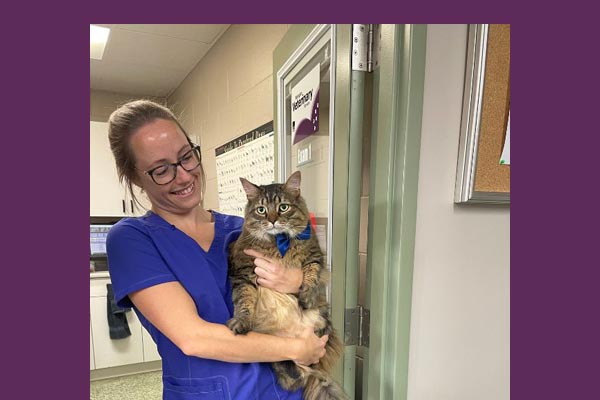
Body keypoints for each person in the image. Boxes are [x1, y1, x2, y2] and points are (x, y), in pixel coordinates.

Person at [105, 100, 328, 400]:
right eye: (161, 170)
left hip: (286, 389)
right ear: (135, 177)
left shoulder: (244, 228)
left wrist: (298, 281)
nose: (183, 176)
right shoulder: (131, 240)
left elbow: (307, 293)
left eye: (187, 157)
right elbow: (193, 338)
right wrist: (297, 348)